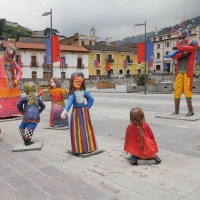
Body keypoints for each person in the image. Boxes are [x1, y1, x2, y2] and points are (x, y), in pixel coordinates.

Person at [61, 71, 97, 154]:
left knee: (86, 128)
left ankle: (88, 146)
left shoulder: (84, 92)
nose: (80, 79)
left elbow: (91, 100)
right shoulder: (72, 94)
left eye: (81, 78)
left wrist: (87, 108)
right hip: (76, 113)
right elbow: (69, 103)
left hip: (83, 112)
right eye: (77, 78)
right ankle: (79, 148)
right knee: (77, 129)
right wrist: (65, 111)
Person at [166, 27, 198, 117]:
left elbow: (192, 48)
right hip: (179, 71)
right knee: (177, 90)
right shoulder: (178, 44)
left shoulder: (192, 42)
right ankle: (176, 110)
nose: (179, 35)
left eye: (181, 33)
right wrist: (180, 54)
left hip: (188, 72)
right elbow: (173, 55)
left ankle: (190, 110)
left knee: (188, 91)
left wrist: (179, 48)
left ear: (185, 33)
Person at [0, 44, 23, 118]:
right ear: (7, 51)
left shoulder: (13, 62)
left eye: (13, 51)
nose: (12, 53)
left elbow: (20, 71)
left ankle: (12, 112)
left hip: (12, 85)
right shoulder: (1, 60)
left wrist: (17, 80)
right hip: (2, 84)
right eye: (11, 51)